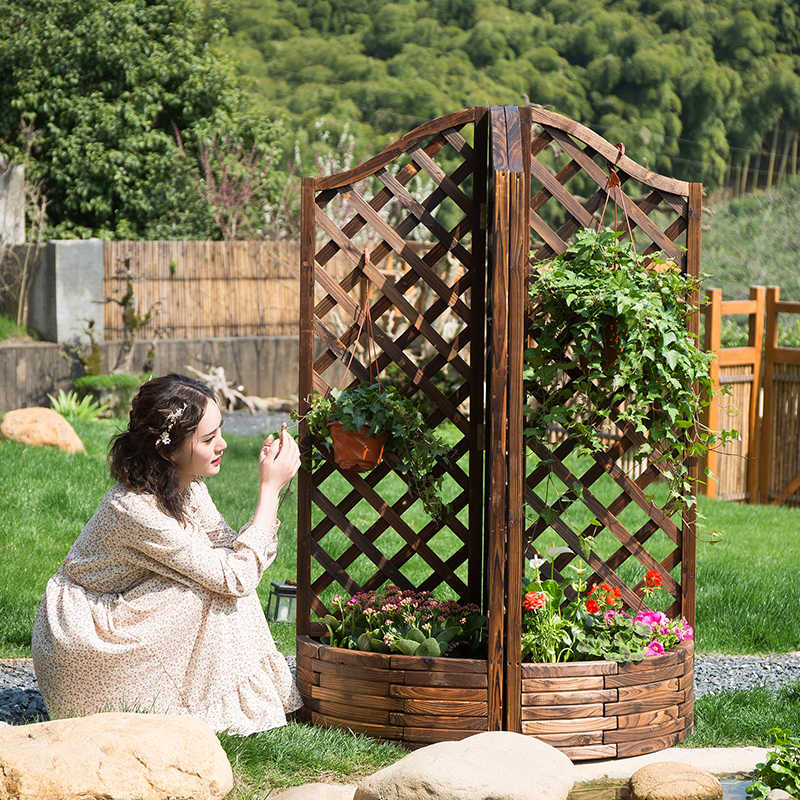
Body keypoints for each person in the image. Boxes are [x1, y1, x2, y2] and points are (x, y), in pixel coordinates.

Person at [31, 373, 303, 735]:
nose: (222, 444)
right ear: (165, 448)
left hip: (121, 609)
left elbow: (230, 556)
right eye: (209, 438)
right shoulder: (132, 508)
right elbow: (234, 577)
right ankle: (231, 708)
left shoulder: (186, 486)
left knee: (216, 581)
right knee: (207, 590)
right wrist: (269, 490)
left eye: (220, 430)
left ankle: (261, 698)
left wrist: (269, 490)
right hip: (84, 640)